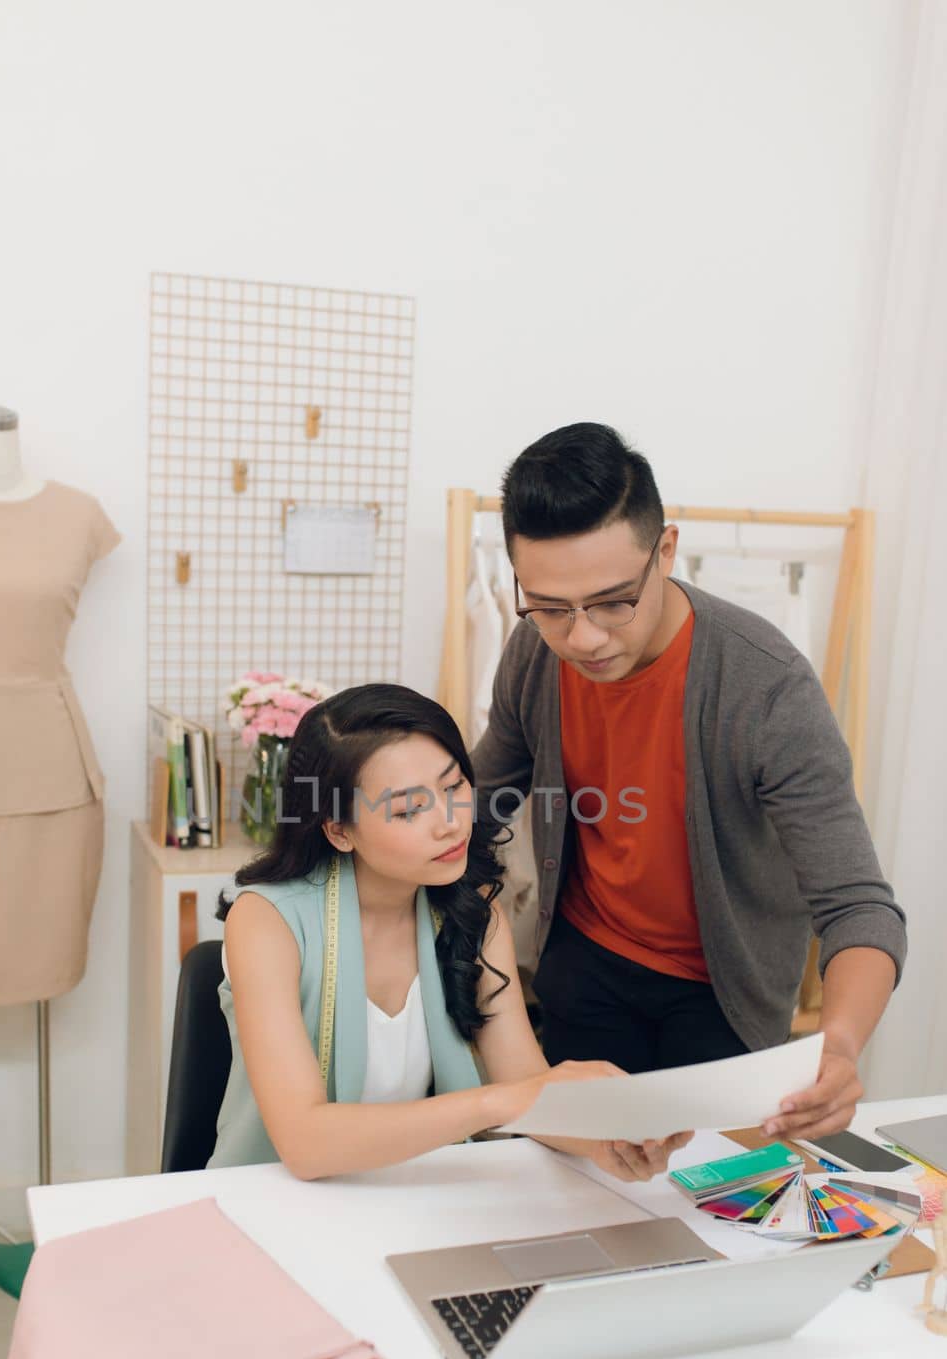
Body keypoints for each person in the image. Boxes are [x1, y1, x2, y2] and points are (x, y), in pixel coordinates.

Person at [472, 422, 905, 1145]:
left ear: (665, 551)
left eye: (613, 601)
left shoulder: (766, 688)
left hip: (722, 994)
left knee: (714, 1202)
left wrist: (840, 1046)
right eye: (550, 607)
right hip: (585, 964)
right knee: (576, 1188)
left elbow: (859, 907)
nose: (582, 637)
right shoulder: (532, 653)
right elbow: (481, 801)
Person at [208, 682, 690, 1184]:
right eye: (408, 810)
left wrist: (609, 1142)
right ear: (340, 831)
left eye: (454, 786)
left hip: (417, 1197)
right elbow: (304, 1144)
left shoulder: (475, 911)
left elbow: (527, 1088)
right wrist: (500, 1102)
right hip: (271, 1204)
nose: (450, 824)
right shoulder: (267, 920)